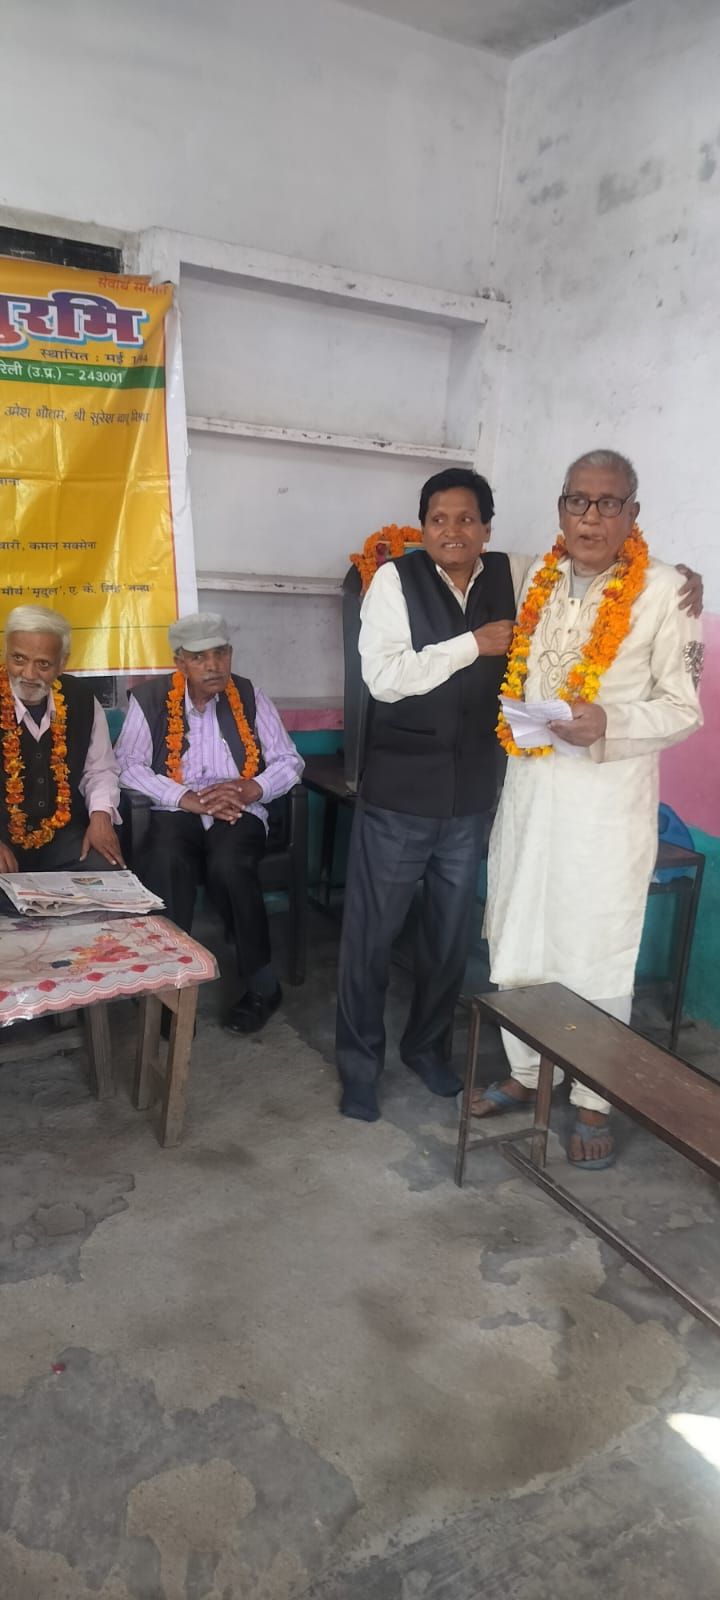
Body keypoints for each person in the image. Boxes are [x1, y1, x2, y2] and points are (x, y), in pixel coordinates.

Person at [473, 449, 704, 1169]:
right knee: (520, 929)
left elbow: (684, 708)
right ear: (561, 508)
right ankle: (527, 1070)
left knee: (595, 946)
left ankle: (594, 1096)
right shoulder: (534, 577)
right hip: (531, 790)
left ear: (633, 513)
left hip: (606, 803)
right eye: (578, 500)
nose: (591, 517)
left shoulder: (666, 592)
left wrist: (609, 721)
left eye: (609, 503)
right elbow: (453, 554)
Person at [335, 468, 516, 1121]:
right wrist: (472, 645)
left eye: (466, 519)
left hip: (470, 799)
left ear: (486, 528)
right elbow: (384, 678)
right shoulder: (395, 580)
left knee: (447, 938)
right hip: (400, 797)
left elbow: (587, 567)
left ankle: (427, 1049)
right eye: (439, 519)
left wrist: (674, 576)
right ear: (423, 528)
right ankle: (359, 1068)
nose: (452, 531)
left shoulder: (510, 575)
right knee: (372, 939)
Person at [114, 612, 304, 1034]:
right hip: (176, 809)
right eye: (200, 657)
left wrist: (251, 789)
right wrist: (185, 798)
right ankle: (170, 987)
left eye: (220, 653)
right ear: (180, 662)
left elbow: (289, 760)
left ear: (230, 654)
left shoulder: (250, 696)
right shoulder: (150, 699)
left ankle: (262, 985)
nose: (213, 665)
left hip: (238, 808)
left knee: (231, 865)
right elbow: (127, 765)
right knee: (165, 859)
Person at [0, 604, 123, 880]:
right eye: (18, 659)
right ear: (5, 653)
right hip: (2, 839)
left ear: (62, 663)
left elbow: (100, 769)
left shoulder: (81, 698)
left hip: (63, 837)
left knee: (106, 871)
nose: (28, 674)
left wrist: (101, 816)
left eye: (43, 664)